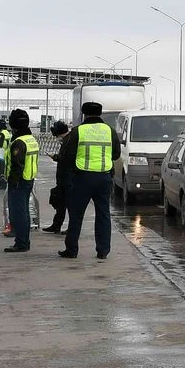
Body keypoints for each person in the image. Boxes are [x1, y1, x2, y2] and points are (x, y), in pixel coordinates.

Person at [59, 101, 121, 260]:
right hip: (104, 178)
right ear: (100, 114)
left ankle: (72, 250)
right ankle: (103, 251)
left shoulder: (77, 131)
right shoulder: (110, 131)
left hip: (82, 178)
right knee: (103, 214)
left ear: (84, 114)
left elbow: (66, 156)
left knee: (76, 215)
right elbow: (115, 155)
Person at [3, 109, 40, 252]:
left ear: (13, 125)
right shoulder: (31, 139)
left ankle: (21, 243)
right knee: (24, 212)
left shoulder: (18, 142)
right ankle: (24, 241)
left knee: (18, 213)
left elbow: (17, 165)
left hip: (19, 182)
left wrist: (12, 181)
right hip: (28, 179)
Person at [42, 120, 72, 234]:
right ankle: (56, 225)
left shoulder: (69, 141)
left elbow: (66, 159)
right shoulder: (66, 140)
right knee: (60, 203)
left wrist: (55, 156)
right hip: (63, 177)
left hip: (69, 178)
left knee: (70, 205)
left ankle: (71, 228)